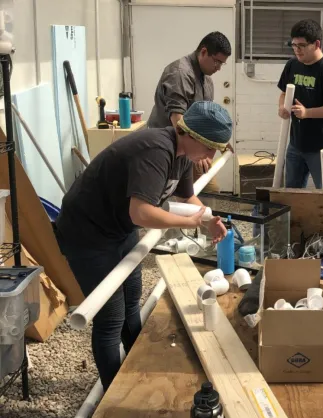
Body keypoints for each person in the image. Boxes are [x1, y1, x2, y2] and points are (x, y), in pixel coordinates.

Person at [55, 101, 231, 391]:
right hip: (87, 232)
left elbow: (188, 199)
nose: (211, 155)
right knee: (110, 315)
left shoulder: (183, 153)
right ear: (191, 134)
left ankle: (136, 363)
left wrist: (209, 219)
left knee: (132, 294)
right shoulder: (156, 150)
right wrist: (191, 224)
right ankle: (115, 393)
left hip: (118, 227)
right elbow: (142, 213)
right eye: (210, 146)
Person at [148, 31, 232, 193]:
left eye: (222, 64)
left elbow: (208, 120)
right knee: (168, 197)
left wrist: (219, 140)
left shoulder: (206, 78)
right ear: (203, 52)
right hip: (168, 147)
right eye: (217, 62)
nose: (219, 68)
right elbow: (178, 121)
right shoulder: (180, 73)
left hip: (189, 148)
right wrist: (198, 154)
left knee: (210, 190)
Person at [277, 19, 323, 189]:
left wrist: (307, 113)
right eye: (293, 45)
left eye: (301, 46)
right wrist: (282, 107)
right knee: (291, 191)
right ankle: (294, 217)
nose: (296, 50)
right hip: (296, 142)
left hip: (321, 145)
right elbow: (284, 93)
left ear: (316, 44)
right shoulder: (292, 65)